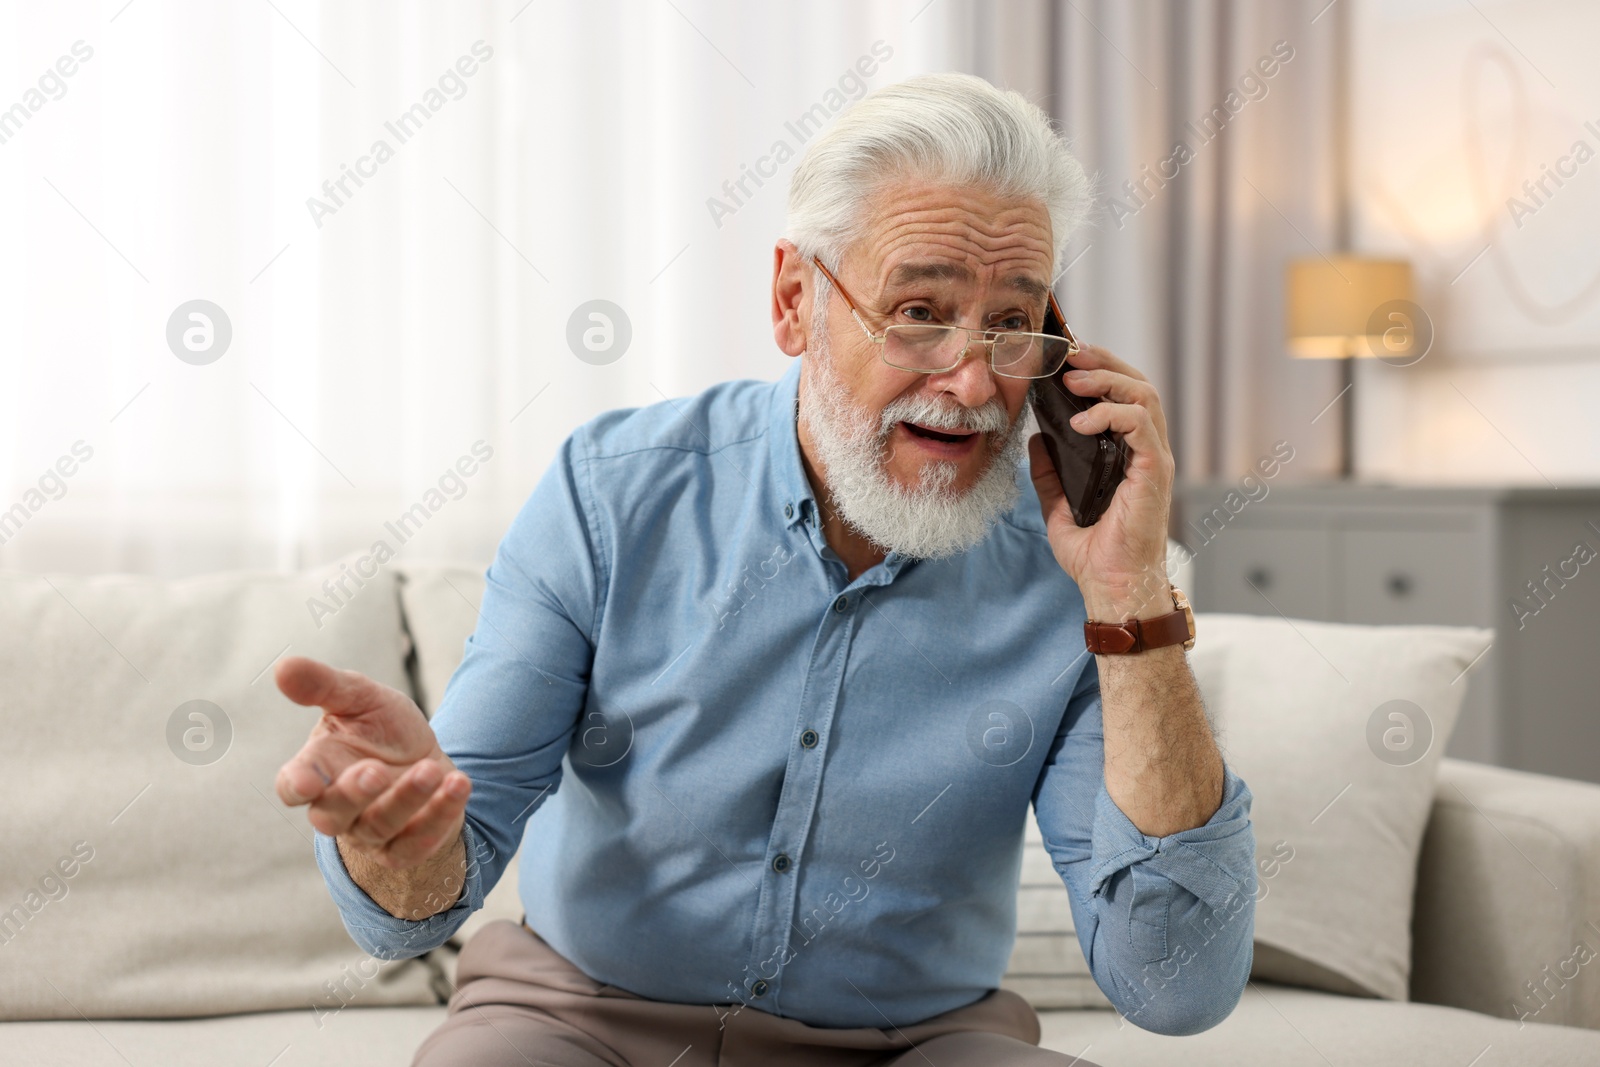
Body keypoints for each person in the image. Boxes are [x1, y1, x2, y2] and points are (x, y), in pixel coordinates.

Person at [274, 71, 1256, 1067]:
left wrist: (1131, 596)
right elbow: (420, 900)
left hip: (910, 1042)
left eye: (1011, 322)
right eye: (920, 309)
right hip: (581, 1018)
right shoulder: (608, 495)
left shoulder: (1074, 568)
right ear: (794, 299)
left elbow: (1174, 986)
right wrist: (391, 833)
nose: (972, 379)